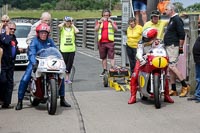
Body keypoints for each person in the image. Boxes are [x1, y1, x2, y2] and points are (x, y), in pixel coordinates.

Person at [15, 23, 71, 110]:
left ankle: (62, 99)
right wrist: (34, 63)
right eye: (42, 33)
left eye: (45, 33)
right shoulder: (34, 41)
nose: (44, 34)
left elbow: (55, 51)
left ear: (48, 34)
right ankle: (20, 101)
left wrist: (60, 60)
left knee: (61, 77)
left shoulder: (50, 41)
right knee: (25, 78)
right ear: (38, 33)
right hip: (36, 62)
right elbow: (31, 53)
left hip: (48, 62)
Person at [128, 28, 174, 104]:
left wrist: (166, 58)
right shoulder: (141, 42)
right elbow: (138, 53)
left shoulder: (159, 42)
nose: (145, 39)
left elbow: (163, 52)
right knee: (134, 75)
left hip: (156, 61)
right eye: (144, 37)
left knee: (165, 75)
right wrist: (141, 58)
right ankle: (133, 96)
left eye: (147, 38)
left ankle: (167, 96)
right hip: (143, 60)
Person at [164, 3, 190, 97]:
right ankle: (173, 89)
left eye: (166, 9)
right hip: (169, 46)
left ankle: (185, 85)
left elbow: (181, 34)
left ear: (171, 10)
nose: (165, 11)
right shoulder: (172, 19)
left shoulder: (177, 19)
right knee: (170, 69)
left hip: (173, 46)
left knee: (172, 66)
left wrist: (180, 47)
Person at [0, 21, 21, 108]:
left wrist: (19, 50)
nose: (13, 30)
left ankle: (6, 102)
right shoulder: (3, 36)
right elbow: (6, 42)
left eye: (14, 29)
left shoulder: (14, 37)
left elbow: (14, 47)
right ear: (7, 28)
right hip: (3, 64)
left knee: (10, 83)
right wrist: (7, 32)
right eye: (11, 28)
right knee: (2, 81)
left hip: (11, 64)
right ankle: (1, 99)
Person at [94, 9, 118, 76]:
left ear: (109, 15)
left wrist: (112, 22)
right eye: (104, 15)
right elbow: (95, 29)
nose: (106, 17)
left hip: (110, 42)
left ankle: (112, 69)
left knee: (111, 56)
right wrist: (99, 23)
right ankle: (104, 70)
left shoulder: (112, 22)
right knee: (103, 57)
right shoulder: (99, 22)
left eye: (107, 15)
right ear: (102, 16)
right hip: (101, 42)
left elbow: (116, 29)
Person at [58, 16, 79, 84]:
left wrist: (72, 25)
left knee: (69, 64)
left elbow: (77, 31)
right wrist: (64, 22)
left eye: (69, 21)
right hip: (63, 49)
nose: (68, 23)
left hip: (71, 49)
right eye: (67, 21)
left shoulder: (72, 29)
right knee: (62, 64)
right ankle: (60, 77)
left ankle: (67, 78)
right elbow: (59, 26)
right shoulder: (62, 29)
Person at [187, 36, 200, 102]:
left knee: (199, 79)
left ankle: (198, 96)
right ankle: (197, 94)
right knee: (198, 79)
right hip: (197, 60)